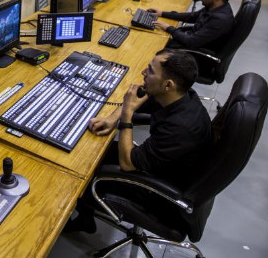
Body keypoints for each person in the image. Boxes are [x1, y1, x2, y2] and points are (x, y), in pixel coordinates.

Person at [64, 49, 212, 233]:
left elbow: (127, 164)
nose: (143, 73)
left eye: (150, 71)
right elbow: (141, 99)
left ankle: (75, 212)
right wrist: (112, 119)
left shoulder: (181, 128)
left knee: (81, 173)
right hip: (165, 169)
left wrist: (126, 116)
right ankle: (85, 219)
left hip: (161, 195)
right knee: (90, 151)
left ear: (168, 84)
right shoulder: (180, 96)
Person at [148, 0, 235, 53]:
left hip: (191, 52)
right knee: (154, 36)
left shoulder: (219, 20)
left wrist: (168, 28)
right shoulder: (214, 7)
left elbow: (191, 42)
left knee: (151, 44)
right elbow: (191, 16)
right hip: (188, 41)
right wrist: (162, 13)